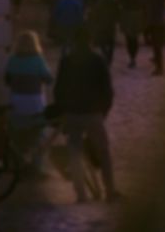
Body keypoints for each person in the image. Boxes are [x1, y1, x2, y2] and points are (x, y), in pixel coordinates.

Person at [53, 27, 121, 203]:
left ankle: (81, 195)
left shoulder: (66, 61)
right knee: (103, 152)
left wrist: (64, 109)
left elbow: (58, 89)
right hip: (93, 113)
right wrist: (103, 111)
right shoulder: (98, 61)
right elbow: (107, 91)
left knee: (74, 153)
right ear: (90, 40)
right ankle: (110, 191)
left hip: (72, 113)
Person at [4, 31, 54, 172]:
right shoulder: (38, 60)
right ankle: (37, 164)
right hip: (35, 105)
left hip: (17, 105)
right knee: (40, 133)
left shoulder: (12, 60)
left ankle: (19, 162)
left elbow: (7, 80)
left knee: (16, 133)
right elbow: (49, 79)